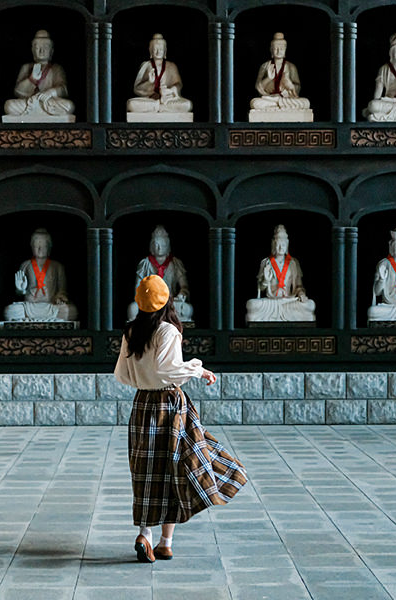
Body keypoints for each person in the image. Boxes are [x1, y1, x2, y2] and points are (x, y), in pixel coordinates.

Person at [114, 274, 246, 563]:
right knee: (173, 467)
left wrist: (144, 378)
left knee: (145, 471)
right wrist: (199, 370)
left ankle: (144, 535)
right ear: (167, 301)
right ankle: (166, 542)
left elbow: (122, 374)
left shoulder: (130, 331)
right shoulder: (168, 331)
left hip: (142, 405)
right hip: (169, 405)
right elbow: (169, 370)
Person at [3, 228, 77, 322]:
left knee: (70, 311)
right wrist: (21, 289)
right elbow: (19, 293)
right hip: (29, 307)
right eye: (36, 244)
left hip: (51, 306)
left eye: (43, 245)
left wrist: (60, 297)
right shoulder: (26, 265)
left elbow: (62, 289)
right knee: (10, 311)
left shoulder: (57, 266)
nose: (40, 248)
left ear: (49, 247)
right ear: (32, 247)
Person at [245, 224, 315, 323]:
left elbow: (299, 286)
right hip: (271, 302)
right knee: (251, 304)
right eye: (278, 244)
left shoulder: (293, 263)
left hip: (288, 301)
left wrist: (301, 294)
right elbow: (261, 288)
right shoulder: (266, 263)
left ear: (287, 245)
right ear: (273, 244)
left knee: (310, 304)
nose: (281, 247)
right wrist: (265, 280)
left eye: (283, 244)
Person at [3, 30, 75, 121]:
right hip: (29, 103)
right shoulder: (26, 67)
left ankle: (41, 112)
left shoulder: (56, 68)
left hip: (48, 103)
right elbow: (18, 91)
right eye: (38, 47)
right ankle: (37, 112)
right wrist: (31, 79)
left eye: (45, 47)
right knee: (9, 105)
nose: (42, 50)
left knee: (69, 106)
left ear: (51, 51)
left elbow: (63, 89)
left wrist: (51, 92)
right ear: (33, 50)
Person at [128, 225, 192, 323]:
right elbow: (137, 288)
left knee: (187, 309)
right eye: (156, 244)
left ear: (168, 245)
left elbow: (184, 286)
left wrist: (181, 295)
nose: (159, 247)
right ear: (151, 246)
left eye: (162, 244)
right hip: (150, 303)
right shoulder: (145, 264)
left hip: (171, 302)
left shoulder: (175, 263)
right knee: (133, 309)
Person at [249, 32, 313, 119]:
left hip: (286, 99)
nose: (279, 51)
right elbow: (258, 87)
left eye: (281, 49)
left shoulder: (291, 67)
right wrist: (268, 78)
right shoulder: (265, 66)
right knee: (255, 103)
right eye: (276, 49)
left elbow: (297, 87)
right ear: (271, 50)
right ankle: (276, 105)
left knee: (305, 102)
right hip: (269, 98)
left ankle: (276, 105)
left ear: (285, 50)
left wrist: (289, 85)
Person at [127, 33, 192, 117]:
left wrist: (171, 90)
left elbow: (178, 84)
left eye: (161, 49)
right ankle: (159, 107)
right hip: (151, 100)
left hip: (167, 100)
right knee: (131, 104)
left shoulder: (171, 66)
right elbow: (137, 89)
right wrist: (150, 83)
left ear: (165, 51)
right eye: (155, 49)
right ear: (150, 50)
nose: (158, 52)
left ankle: (159, 107)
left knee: (187, 105)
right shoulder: (146, 65)